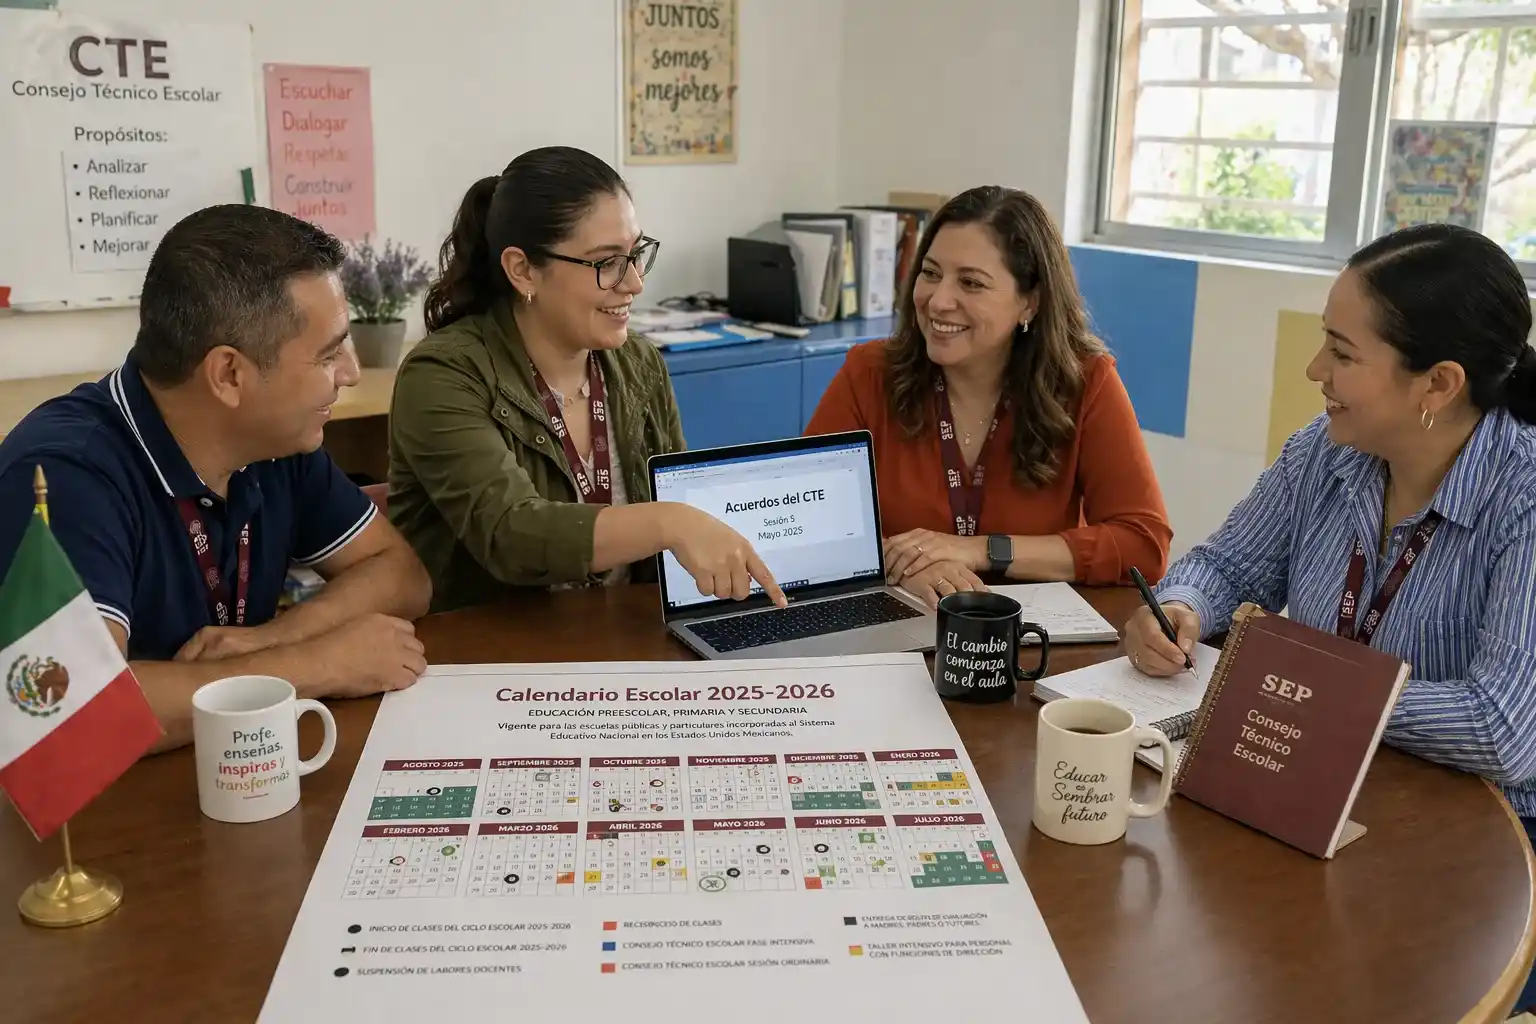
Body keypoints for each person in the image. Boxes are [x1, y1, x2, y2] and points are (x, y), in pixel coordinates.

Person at [1123, 224, 1536, 1011]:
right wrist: (1180, 607)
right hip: (1316, 784)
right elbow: (1224, 565)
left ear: (1438, 385)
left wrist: (1306, 692)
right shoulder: (1327, 449)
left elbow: (1504, 729)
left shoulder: (1526, 495)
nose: (1316, 372)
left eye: (1343, 354)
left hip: (1483, 846)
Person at [0, 205, 434, 754]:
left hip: (231, 772)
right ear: (230, 374)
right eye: (328, 355)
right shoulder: (65, 475)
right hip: (112, 817)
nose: (349, 373)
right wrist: (318, 663)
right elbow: (68, 709)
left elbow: (402, 574)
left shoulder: (276, 438)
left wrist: (269, 640)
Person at [388, 146, 785, 612]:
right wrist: (669, 522)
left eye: (636, 253)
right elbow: (511, 535)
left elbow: (683, 500)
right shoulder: (443, 374)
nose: (634, 282)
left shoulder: (638, 362)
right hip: (488, 657)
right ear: (523, 270)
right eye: (606, 262)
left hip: (623, 641)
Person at [804, 185, 1172, 608]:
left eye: (971, 283)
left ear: (1030, 302)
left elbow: (1144, 544)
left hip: (1031, 634)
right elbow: (810, 526)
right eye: (930, 273)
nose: (939, 300)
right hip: (900, 619)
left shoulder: (1086, 382)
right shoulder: (869, 372)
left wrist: (980, 549)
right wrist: (906, 564)